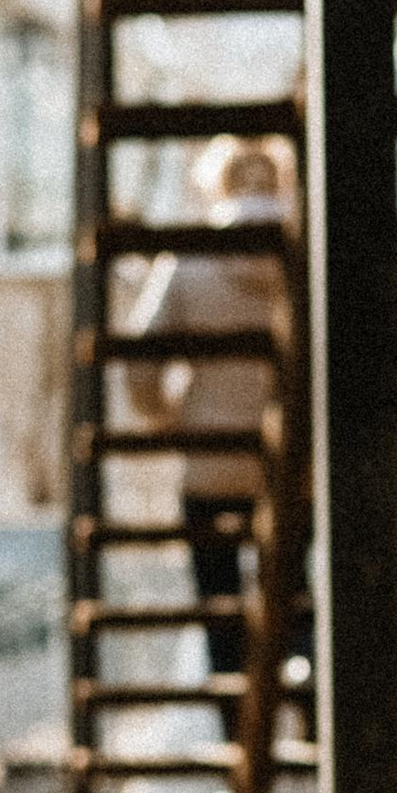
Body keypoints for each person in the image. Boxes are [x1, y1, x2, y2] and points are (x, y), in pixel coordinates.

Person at [116, 136, 290, 679]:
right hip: (290, 462)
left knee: (220, 611)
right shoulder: (307, 253)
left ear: (219, 183)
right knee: (296, 596)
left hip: (210, 464)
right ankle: (308, 707)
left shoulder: (189, 255)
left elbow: (139, 358)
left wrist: (165, 415)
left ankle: (232, 725)